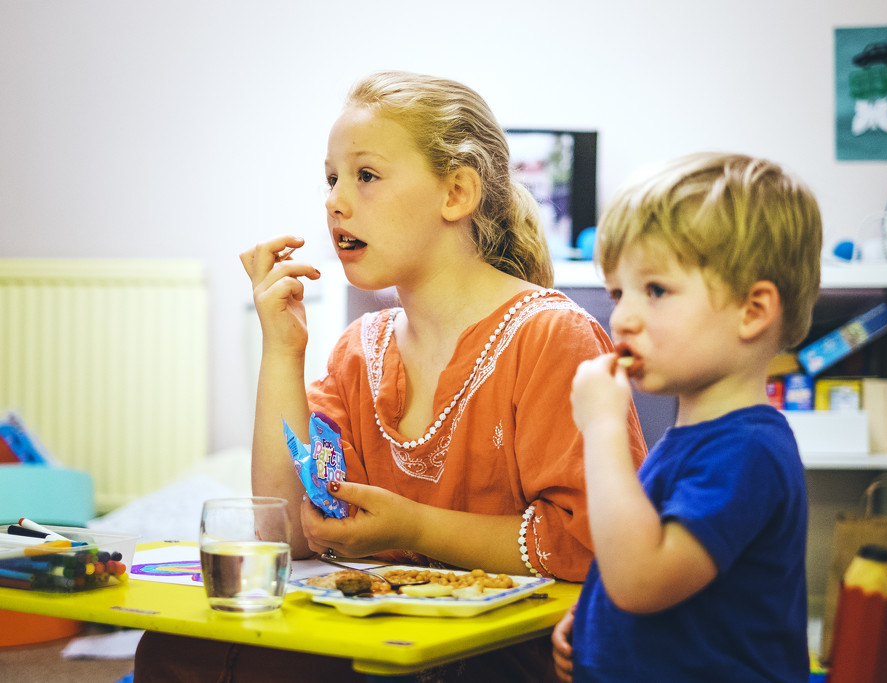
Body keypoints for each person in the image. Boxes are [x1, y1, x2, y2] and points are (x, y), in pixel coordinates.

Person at [134, 71, 645, 682]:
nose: (334, 201)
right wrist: (282, 350)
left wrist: (415, 527)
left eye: (366, 176)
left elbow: (588, 546)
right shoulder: (360, 348)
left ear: (456, 193)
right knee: (174, 652)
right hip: (380, 635)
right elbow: (290, 531)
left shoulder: (551, 337)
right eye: (331, 179)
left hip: (498, 654)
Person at [551, 153, 821, 682]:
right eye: (618, 293)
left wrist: (604, 429)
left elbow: (643, 580)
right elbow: (653, 576)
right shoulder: (697, 440)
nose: (622, 316)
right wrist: (594, 617)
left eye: (655, 291)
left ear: (753, 311)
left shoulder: (746, 453)